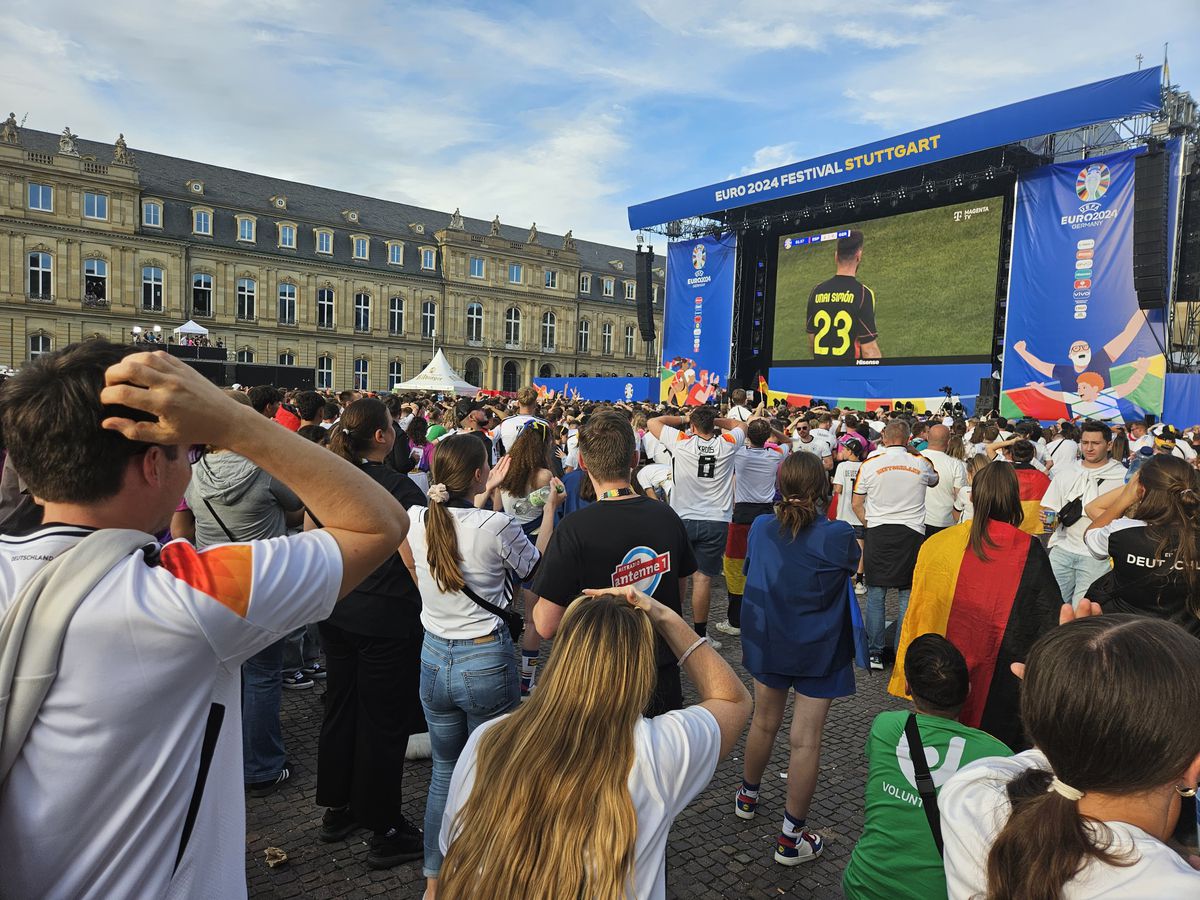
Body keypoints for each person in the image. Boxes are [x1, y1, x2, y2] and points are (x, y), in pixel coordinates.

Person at [0, 343, 405, 899]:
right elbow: (379, 523)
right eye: (186, 454)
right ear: (151, 464)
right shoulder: (184, 594)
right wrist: (234, 421)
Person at [437, 590, 752, 900]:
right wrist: (661, 614)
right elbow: (733, 699)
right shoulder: (656, 751)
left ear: (562, 656)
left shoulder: (488, 741)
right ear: (641, 670)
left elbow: (452, 852)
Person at [940, 615, 1200, 899]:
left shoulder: (971, 797)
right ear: (1193, 768)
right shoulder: (1178, 888)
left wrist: (1069, 696)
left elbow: (1055, 755)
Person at [405, 434, 563, 895]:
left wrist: (485, 493)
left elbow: (454, 528)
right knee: (494, 772)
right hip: (484, 661)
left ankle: (434, 885)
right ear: (478, 473)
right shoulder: (495, 526)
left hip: (433, 657)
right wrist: (548, 510)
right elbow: (536, 569)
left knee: (445, 772)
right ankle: (487, 876)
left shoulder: (417, 518)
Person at [314, 399, 428, 869]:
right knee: (383, 721)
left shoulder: (327, 478)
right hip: (385, 617)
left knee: (341, 706)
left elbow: (311, 537)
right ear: (382, 436)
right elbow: (412, 556)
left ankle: (338, 809)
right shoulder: (399, 488)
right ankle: (384, 826)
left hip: (337, 608)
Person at [734, 451, 861, 866]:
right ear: (821, 490)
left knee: (764, 721)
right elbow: (854, 566)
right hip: (819, 647)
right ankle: (790, 838)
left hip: (770, 639)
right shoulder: (838, 534)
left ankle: (747, 796)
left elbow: (755, 566)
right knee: (805, 739)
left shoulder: (762, 527)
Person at [533, 410, 697, 714]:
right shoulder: (667, 517)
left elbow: (545, 624)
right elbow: (678, 594)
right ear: (635, 459)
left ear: (582, 462)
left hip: (595, 677)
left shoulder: (574, 528)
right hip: (657, 672)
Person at [890, 463, 1061, 750]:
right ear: (1013, 499)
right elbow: (1044, 619)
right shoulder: (1027, 550)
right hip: (998, 687)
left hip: (940, 675)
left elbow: (920, 610)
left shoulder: (937, 543)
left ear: (972, 497)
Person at [842, 634, 1011, 900]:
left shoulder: (885, 727)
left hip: (864, 883)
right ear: (968, 690)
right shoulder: (998, 756)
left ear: (908, 687)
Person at [647, 406, 746, 648]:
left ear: (692, 426)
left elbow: (653, 422)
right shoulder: (728, 443)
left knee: (678, 576)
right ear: (713, 425)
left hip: (683, 518)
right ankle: (700, 635)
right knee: (702, 580)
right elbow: (741, 425)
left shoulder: (681, 440)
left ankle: (674, 630)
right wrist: (714, 420)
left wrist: (685, 417)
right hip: (716, 520)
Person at [852, 420, 939, 670]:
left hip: (878, 531)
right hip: (911, 533)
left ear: (884, 438)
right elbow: (934, 479)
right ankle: (902, 651)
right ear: (909, 438)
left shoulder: (870, 465)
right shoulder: (920, 463)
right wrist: (915, 452)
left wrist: (869, 524)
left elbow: (857, 503)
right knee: (906, 596)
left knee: (876, 594)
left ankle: (875, 653)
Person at [1082, 455, 1200, 638]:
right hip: (1187, 637)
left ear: (1142, 490)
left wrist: (1125, 497)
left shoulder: (1122, 531)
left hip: (1127, 632)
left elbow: (1091, 535)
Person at [490, 419, 558, 695]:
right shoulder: (544, 476)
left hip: (505, 543)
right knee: (532, 620)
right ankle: (526, 681)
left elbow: (496, 513)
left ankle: (499, 669)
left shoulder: (505, 473)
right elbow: (554, 507)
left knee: (501, 611)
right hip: (533, 546)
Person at [1039, 420, 1127, 604]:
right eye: (1085, 443)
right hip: (1062, 549)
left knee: (1083, 613)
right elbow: (1049, 509)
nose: (1089, 448)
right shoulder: (1066, 472)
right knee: (1051, 606)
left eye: (1095, 443)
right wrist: (1050, 520)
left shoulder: (1122, 477)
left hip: (1098, 556)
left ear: (1109, 445)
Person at [716, 417, 787, 637]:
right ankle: (765, 615)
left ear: (748, 436)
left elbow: (725, 438)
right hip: (766, 513)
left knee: (736, 568)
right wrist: (771, 428)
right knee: (764, 565)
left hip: (742, 513)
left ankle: (735, 620)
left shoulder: (738, 454)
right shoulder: (774, 454)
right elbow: (789, 441)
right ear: (767, 437)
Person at [1011, 308, 1149, 393]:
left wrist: (1145, 307)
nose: (1081, 350)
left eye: (1084, 347)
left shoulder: (1100, 360)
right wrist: (1021, 351)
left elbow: (1128, 334)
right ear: (1070, 355)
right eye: (1077, 348)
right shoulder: (1063, 372)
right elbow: (1040, 365)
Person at [806, 229, 880, 361]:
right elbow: (869, 352)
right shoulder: (863, 294)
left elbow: (812, 341)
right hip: (849, 377)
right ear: (859, 256)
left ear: (836, 256)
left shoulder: (816, 291)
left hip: (821, 374)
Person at [1027, 357, 1153, 425]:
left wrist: (1142, 369)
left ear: (1095, 388)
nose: (1079, 390)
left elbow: (1130, 385)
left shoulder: (1108, 394)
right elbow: (1053, 394)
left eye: (1083, 387)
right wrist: (1038, 388)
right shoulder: (1074, 398)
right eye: (1079, 387)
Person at [832, 437, 867, 593]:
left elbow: (838, 489)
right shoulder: (865, 466)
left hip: (844, 513)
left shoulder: (842, 466)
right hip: (860, 513)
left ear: (851, 451)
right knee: (861, 548)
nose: (842, 451)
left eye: (845, 449)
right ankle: (859, 581)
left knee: (842, 547)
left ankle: (842, 578)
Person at [921, 424, 967, 538]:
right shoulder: (955, 464)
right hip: (944, 522)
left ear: (927, 437)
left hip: (918, 521)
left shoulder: (915, 458)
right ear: (948, 442)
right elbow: (959, 496)